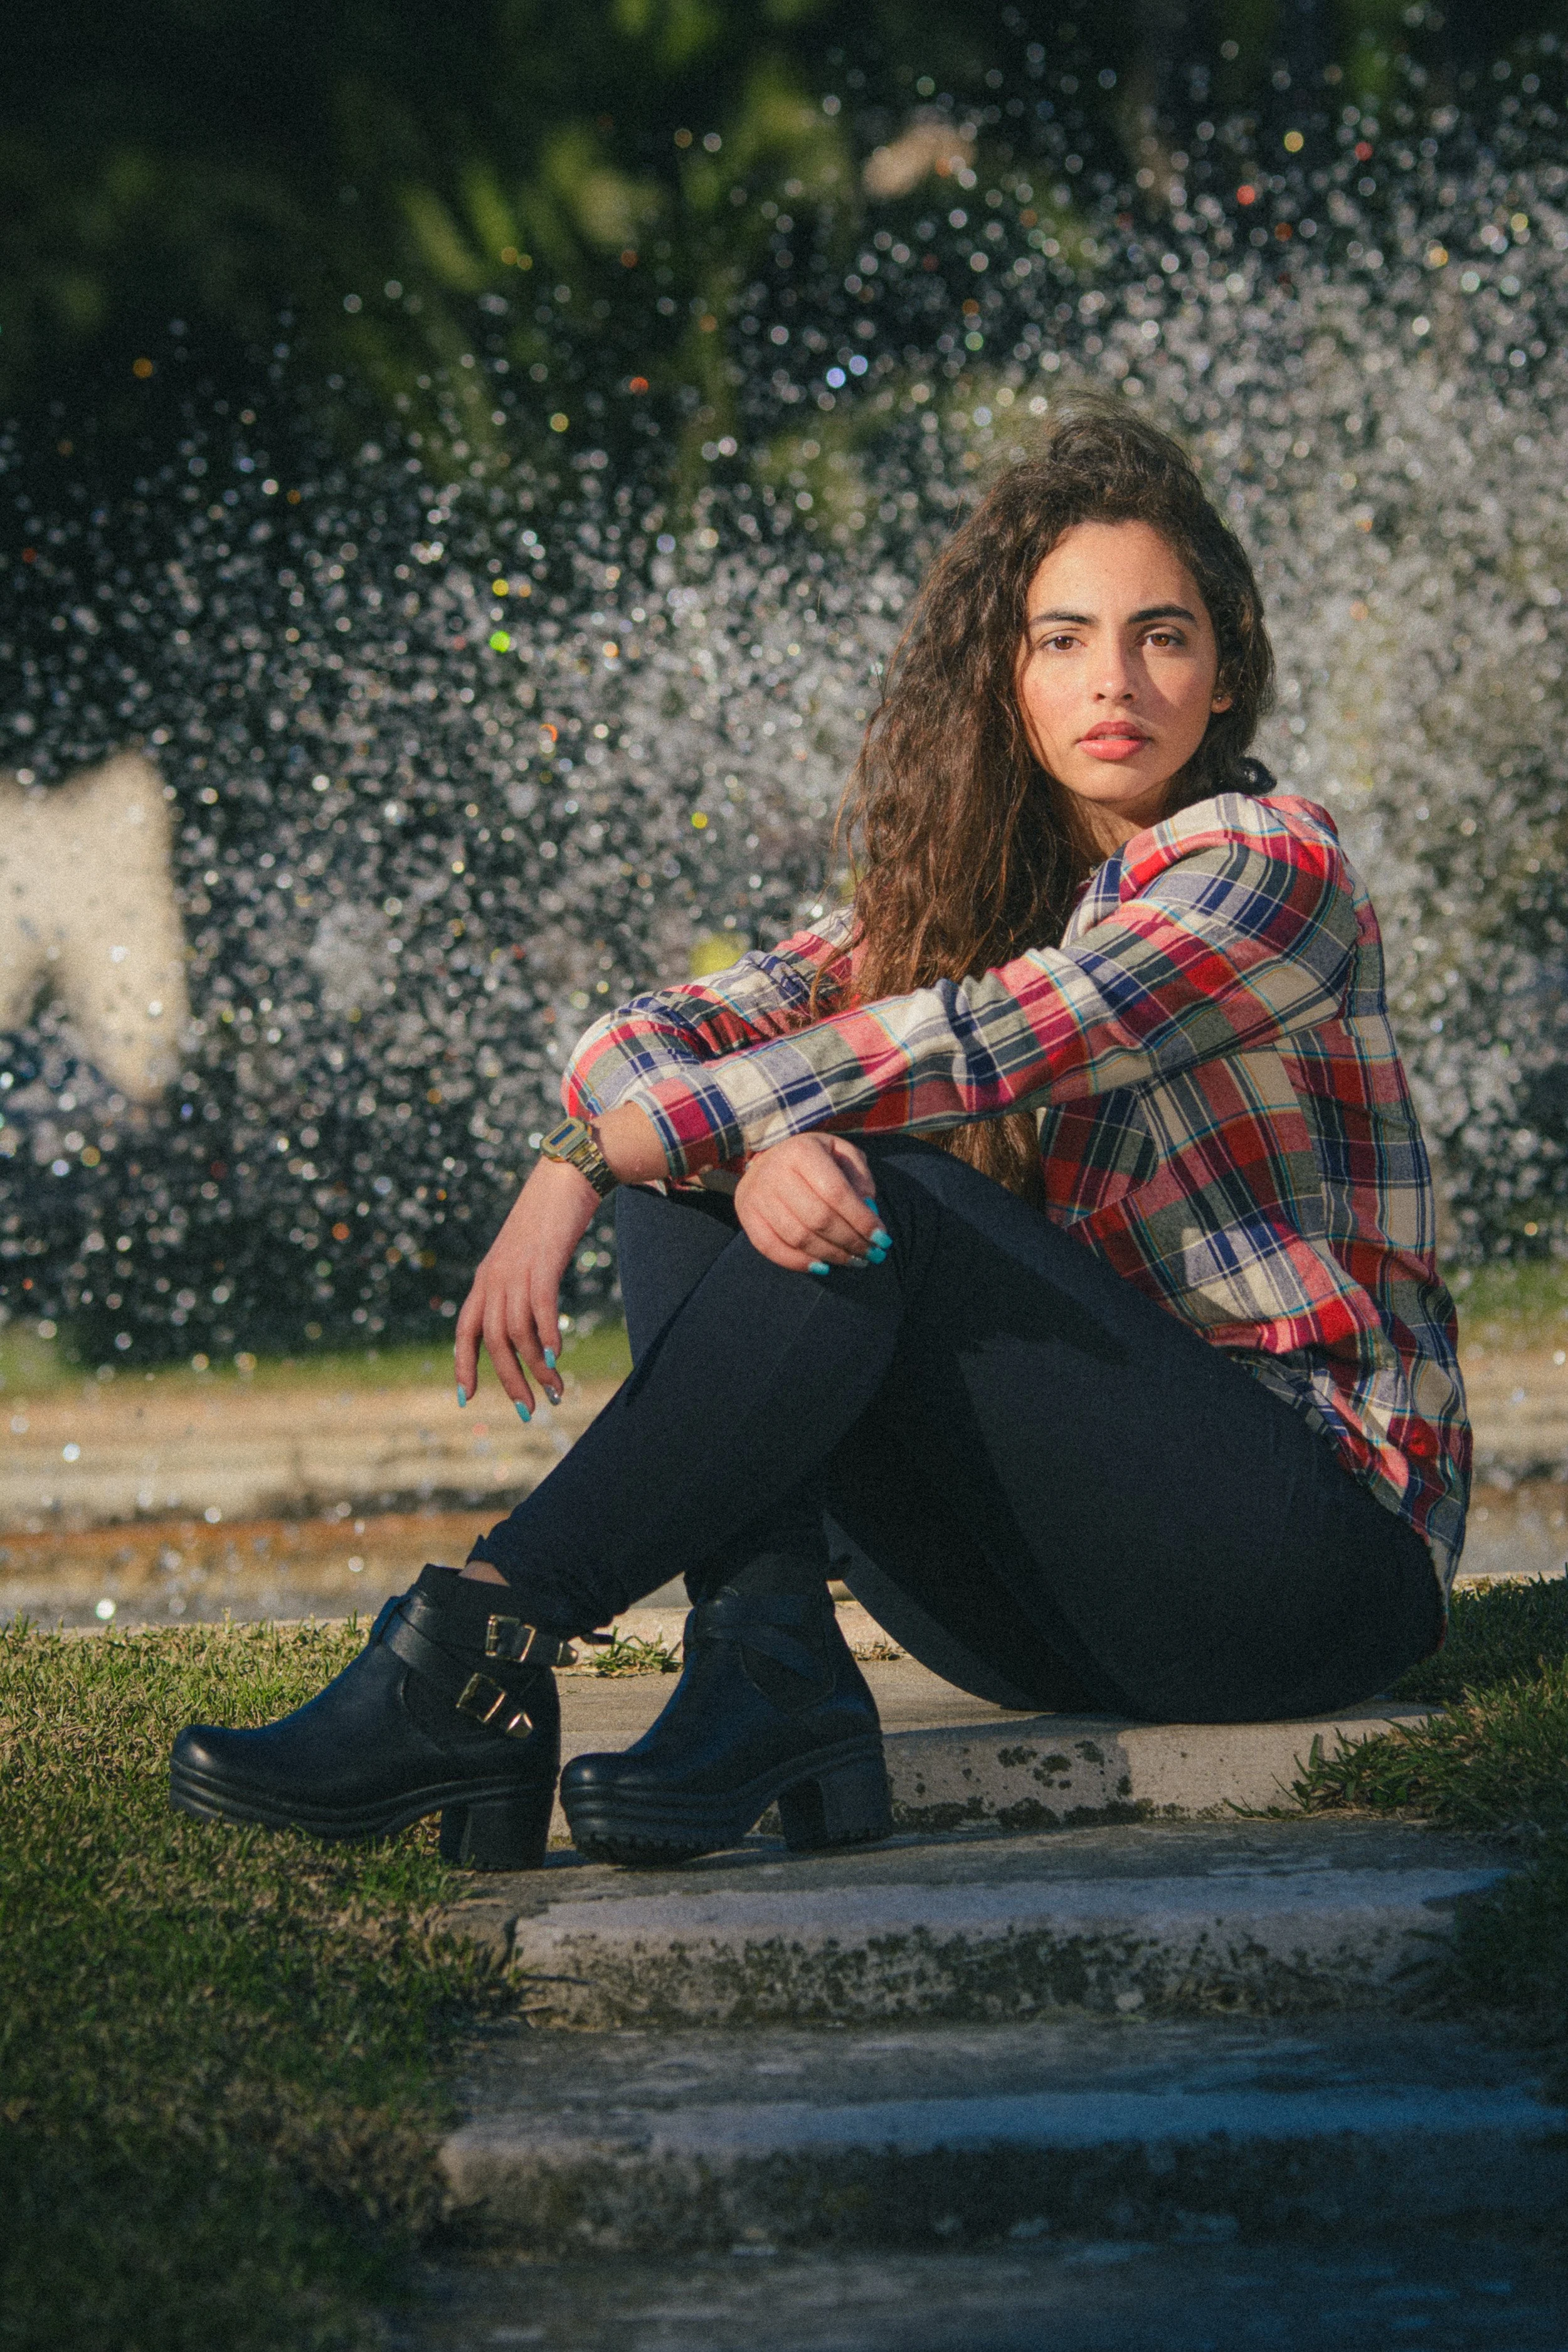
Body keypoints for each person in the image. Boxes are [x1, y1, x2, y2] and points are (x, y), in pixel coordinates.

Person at [171, 403, 1469, 1874]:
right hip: (1060, 1597)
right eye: (1060, 639)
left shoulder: (1265, 868)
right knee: (750, 1176)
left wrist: (590, 1161)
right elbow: (659, 1030)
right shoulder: (976, 900)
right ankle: (764, 1660)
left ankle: (464, 1650)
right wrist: (681, 1147)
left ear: (1222, 666)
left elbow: (988, 1042)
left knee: (863, 1176)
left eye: (1159, 635)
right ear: (1005, 676)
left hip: (1309, 1560)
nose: (1113, 680)